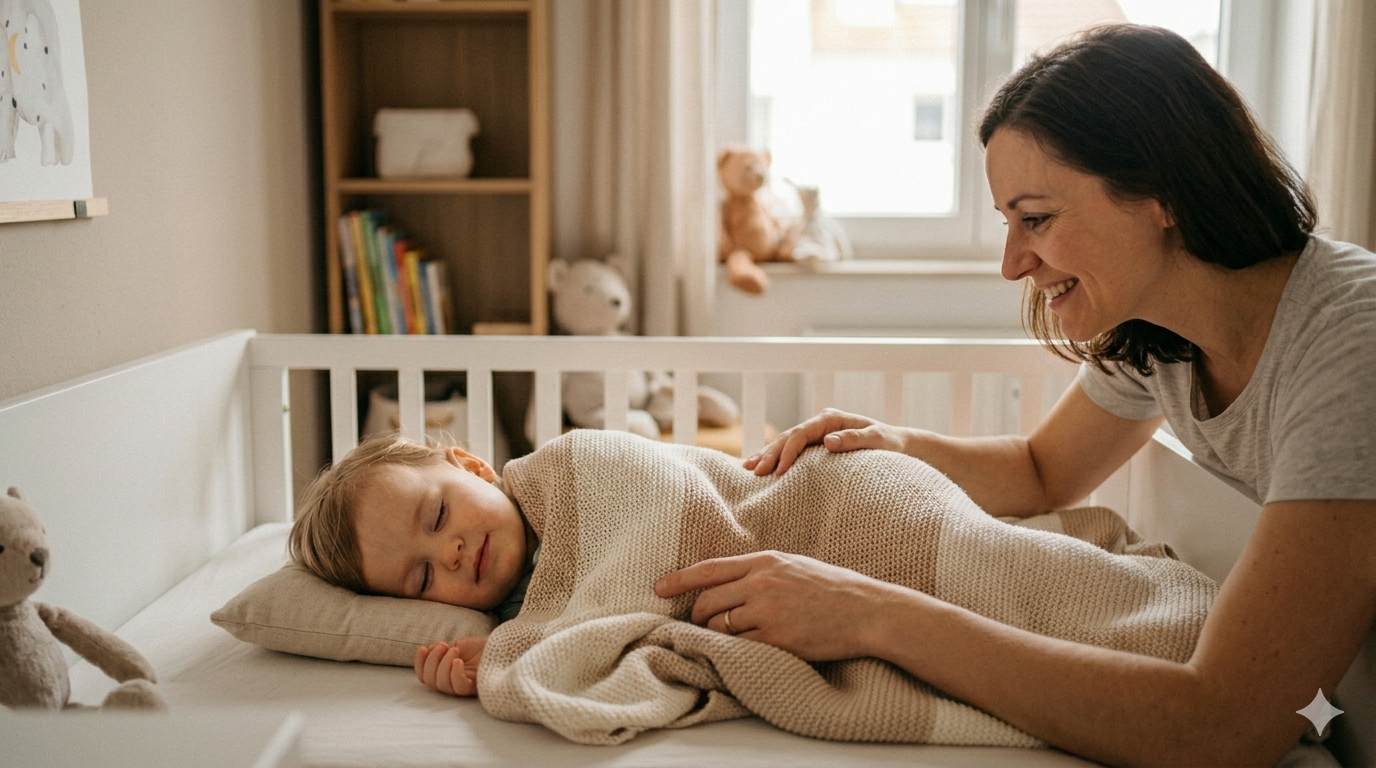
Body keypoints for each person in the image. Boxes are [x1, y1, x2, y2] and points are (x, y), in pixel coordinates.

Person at [654, 24, 1376, 767]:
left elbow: (1221, 727)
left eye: (1036, 219)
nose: (1011, 264)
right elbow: (1042, 470)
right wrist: (890, 444)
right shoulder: (1161, 336)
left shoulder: (1351, 344)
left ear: (1163, 195)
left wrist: (871, 614)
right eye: (1007, 223)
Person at [289, 435, 540, 698]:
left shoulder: (555, 476)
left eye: (438, 516)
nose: (449, 554)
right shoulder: (519, 625)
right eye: (424, 577)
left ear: (472, 467)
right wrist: (501, 658)